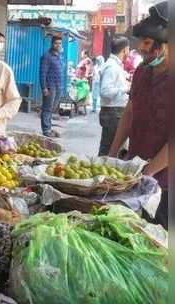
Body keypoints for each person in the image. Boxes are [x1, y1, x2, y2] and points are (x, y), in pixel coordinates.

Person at [108, 1, 169, 229]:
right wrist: (113, 153)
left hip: (165, 185)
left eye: (147, 42)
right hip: (134, 174)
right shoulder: (143, 72)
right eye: (140, 42)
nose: (141, 48)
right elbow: (130, 112)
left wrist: (149, 172)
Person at [98, 36, 130, 156]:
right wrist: (125, 89)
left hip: (115, 112)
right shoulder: (111, 67)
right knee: (109, 148)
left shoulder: (115, 65)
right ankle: (101, 172)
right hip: (113, 113)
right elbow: (105, 91)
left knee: (115, 148)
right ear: (125, 49)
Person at [39, 36, 63, 138]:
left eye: (60, 43)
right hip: (50, 86)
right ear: (52, 44)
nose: (58, 45)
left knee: (52, 108)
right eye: (56, 43)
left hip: (58, 85)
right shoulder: (47, 56)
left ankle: (48, 127)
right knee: (47, 108)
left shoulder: (58, 55)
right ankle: (46, 130)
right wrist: (44, 87)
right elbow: (42, 72)